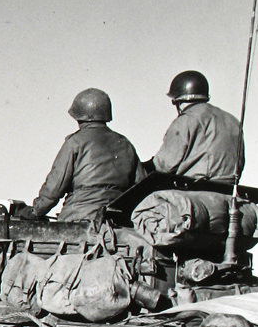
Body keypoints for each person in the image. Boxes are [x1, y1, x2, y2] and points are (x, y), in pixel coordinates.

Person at [17, 88, 145, 222]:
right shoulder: (125, 143)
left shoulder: (75, 142)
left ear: (78, 117)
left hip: (79, 218)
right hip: (116, 220)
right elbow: (141, 185)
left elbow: (55, 186)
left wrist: (35, 211)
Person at [147, 70, 245, 185]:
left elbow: (164, 165)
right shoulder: (233, 120)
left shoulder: (186, 120)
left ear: (178, 101)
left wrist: (142, 168)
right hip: (229, 191)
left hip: (195, 190)